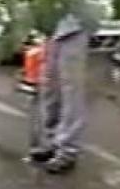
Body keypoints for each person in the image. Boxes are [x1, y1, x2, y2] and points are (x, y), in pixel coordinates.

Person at [27, 11, 91, 174]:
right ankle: (52, 142)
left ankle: (68, 150)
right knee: (49, 86)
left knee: (70, 89)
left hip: (74, 26)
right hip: (53, 27)